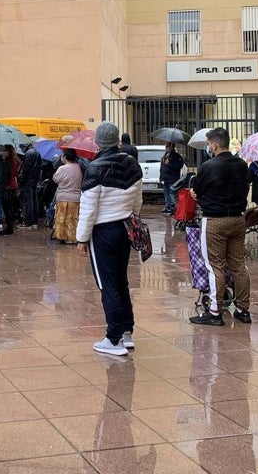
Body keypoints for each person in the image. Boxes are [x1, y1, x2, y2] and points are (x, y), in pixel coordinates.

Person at [76, 122, 143, 356]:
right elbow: (138, 199)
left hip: (103, 231)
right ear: (118, 141)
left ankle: (113, 338)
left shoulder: (95, 168)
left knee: (107, 284)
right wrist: (132, 217)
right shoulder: (132, 163)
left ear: (98, 143)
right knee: (121, 280)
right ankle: (126, 332)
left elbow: (88, 208)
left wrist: (81, 239)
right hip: (125, 227)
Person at [188, 127, 252, 326]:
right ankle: (243, 309)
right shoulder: (242, 165)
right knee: (238, 266)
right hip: (238, 219)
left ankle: (215, 311)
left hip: (214, 220)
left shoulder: (209, 166)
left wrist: (195, 193)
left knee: (214, 266)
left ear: (214, 145)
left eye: (208, 144)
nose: (208, 147)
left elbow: (197, 190)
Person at [52, 148, 83, 244]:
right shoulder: (79, 167)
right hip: (76, 197)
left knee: (63, 218)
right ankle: (74, 237)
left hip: (63, 197)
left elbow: (55, 179)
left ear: (64, 157)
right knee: (74, 219)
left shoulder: (62, 168)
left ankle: (63, 236)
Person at [18, 143, 42, 228]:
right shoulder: (37, 152)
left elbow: (25, 169)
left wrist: (21, 179)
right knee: (34, 199)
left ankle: (29, 221)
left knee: (28, 201)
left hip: (28, 180)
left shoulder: (28, 153)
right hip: (34, 180)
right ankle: (34, 219)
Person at [1, 144, 21, 235]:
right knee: (9, 207)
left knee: (7, 208)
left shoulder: (10, 162)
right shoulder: (15, 161)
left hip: (9, 186)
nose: (3, 152)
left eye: (5, 150)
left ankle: (9, 228)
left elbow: (9, 175)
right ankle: (9, 227)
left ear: (9, 152)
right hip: (13, 186)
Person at [160, 143, 185, 215]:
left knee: (172, 194)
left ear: (172, 147)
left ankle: (173, 208)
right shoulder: (165, 155)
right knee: (166, 194)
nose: (166, 147)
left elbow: (179, 166)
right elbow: (162, 167)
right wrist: (161, 178)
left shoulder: (177, 156)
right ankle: (168, 208)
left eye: (168, 146)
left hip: (172, 178)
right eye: (166, 146)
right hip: (165, 178)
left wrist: (170, 163)